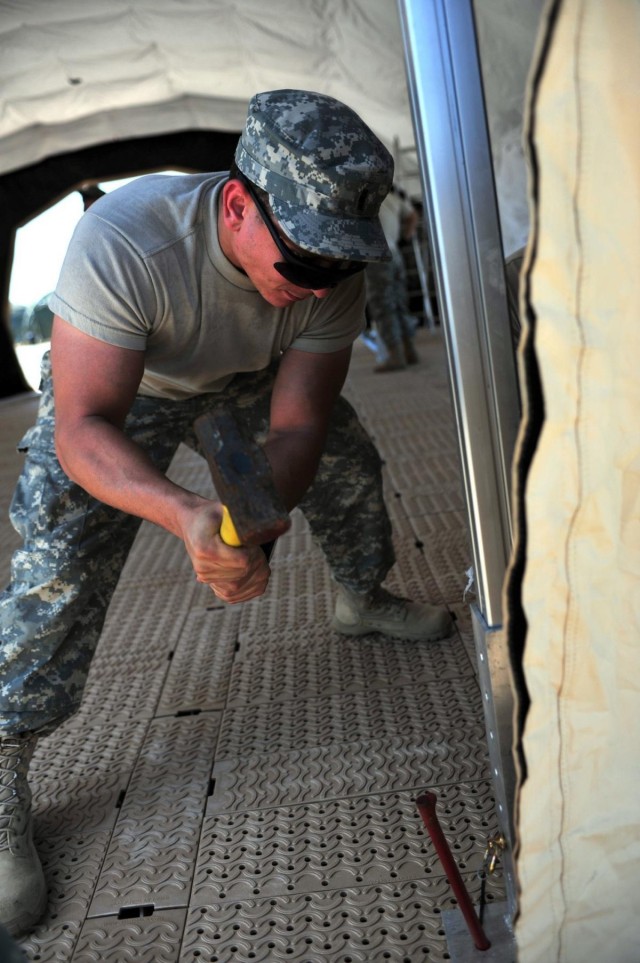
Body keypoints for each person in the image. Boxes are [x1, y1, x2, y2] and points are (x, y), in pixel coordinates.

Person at [0, 89, 453, 936]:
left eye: (339, 266)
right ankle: (3, 749)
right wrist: (185, 515)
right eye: (305, 263)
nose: (320, 283)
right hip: (123, 390)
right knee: (58, 556)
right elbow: (83, 427)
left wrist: (252, 521)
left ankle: (361, 594)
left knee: (349, 466)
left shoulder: (328, 269)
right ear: (239, 205)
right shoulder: (130, 240)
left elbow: (300, 422)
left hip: (248, 379)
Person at [365, 183, 420, 372]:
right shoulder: (392, 197)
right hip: (395, 254)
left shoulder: (364, 196)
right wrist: (405, 237)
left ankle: (395, 356)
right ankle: (409, 350)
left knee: (382, 306)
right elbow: (412, 215)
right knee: (399, 303)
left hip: (376, 256)